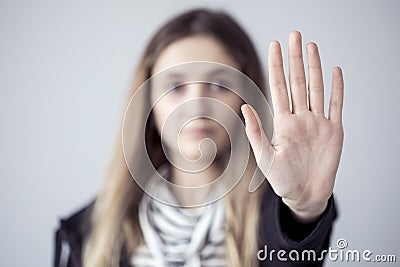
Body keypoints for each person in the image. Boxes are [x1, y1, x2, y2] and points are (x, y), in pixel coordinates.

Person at [54, 8, 344, 267]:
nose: (196, 106)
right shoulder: (86, 231)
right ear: (148, 103)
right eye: (175, 86)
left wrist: (303, 208)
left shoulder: (274, 218)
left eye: (219, 84)